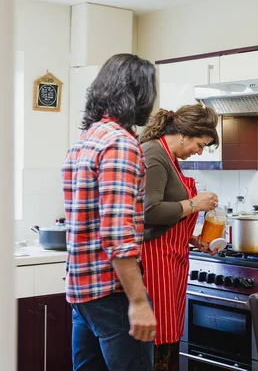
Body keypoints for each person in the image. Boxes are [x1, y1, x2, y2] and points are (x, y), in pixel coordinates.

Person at [61, 53, 158, 371]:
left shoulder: (85, 140)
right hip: (110, 291)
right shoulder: (121, 144)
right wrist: (139, 300)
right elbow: (117, 231)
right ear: (141, 94)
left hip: (81, 291)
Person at [138, 104, 221, 371]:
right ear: (184, 134)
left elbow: (169, 214)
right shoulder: (153, 153)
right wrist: (194, 204)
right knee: (156, 335)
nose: (199, 151)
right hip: (154, 260)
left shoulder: (170, 157)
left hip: (171, 259)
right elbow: (149, 211)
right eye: (200, 144)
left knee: (167, 334)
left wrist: (192, 239)